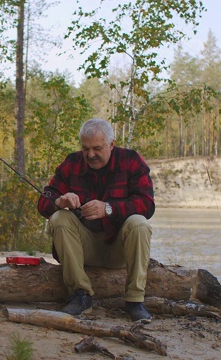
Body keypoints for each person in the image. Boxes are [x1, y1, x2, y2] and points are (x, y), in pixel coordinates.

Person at [37, 118, 155, 323]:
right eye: (85, 148)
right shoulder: (72, 163)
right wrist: (59, 200)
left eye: (97, 148)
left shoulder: (131, 160)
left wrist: (109, 208)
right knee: (59, 218)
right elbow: (43, 200)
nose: (90, 155)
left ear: (111, 144)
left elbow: (147, 204)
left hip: (119, 248)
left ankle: (135, 300)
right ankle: (80, 295)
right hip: (84, 249)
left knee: (139, 223)